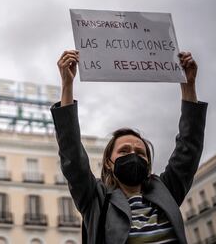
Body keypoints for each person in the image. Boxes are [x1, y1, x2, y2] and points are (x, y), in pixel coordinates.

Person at [51, 50, 207, 244]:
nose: (133, 155)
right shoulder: (96, 199)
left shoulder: (166, 189)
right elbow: (71, 152)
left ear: (148, 165)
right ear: (108, 163)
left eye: (140, 153)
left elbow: (189, 146)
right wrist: (67, 85)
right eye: (124, 151)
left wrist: (189, 85)